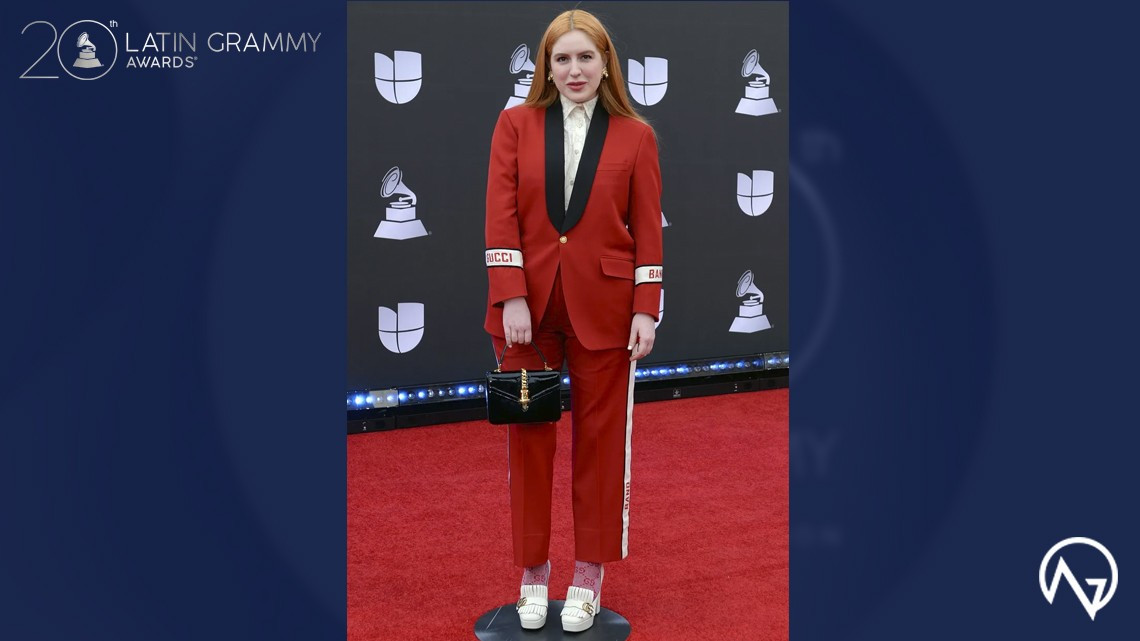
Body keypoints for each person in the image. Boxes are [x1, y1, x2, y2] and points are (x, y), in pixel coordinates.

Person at [483, 8, 663, 634]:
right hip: (526, 314)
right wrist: (510, 296)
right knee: (530, 448)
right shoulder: (514, 125)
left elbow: (647, 230)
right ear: (546, 67)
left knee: (601, 448)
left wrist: (646, 308)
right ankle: (533, 576)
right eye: (562, 59)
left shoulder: (636, 136)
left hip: (607, 313)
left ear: (606, 62)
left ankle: (587, 580)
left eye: (586, 57)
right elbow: (500, 216)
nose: (575, 69)